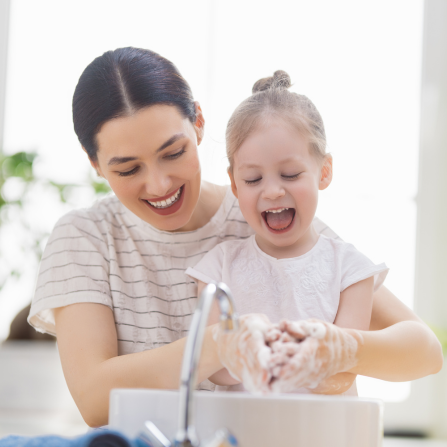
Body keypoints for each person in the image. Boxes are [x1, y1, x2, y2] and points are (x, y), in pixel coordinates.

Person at [27, 47, 442, 427]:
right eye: (128, 169)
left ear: (199, 124)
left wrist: (344, 349)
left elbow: (423, 350)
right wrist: (218, 347)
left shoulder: (265, 217)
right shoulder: (85, 238)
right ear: (95, 164)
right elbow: (94, 400)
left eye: (173, 153)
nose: (158, 185)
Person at [186, 70, 388, 395]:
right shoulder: (216, 269)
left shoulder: (351, 270)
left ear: (324, 172)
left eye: (291, 174)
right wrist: (244, 351)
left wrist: (311, 354)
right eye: (253, 179)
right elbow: (214, 371)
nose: (273, 191)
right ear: (235, 183)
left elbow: (343, 375)